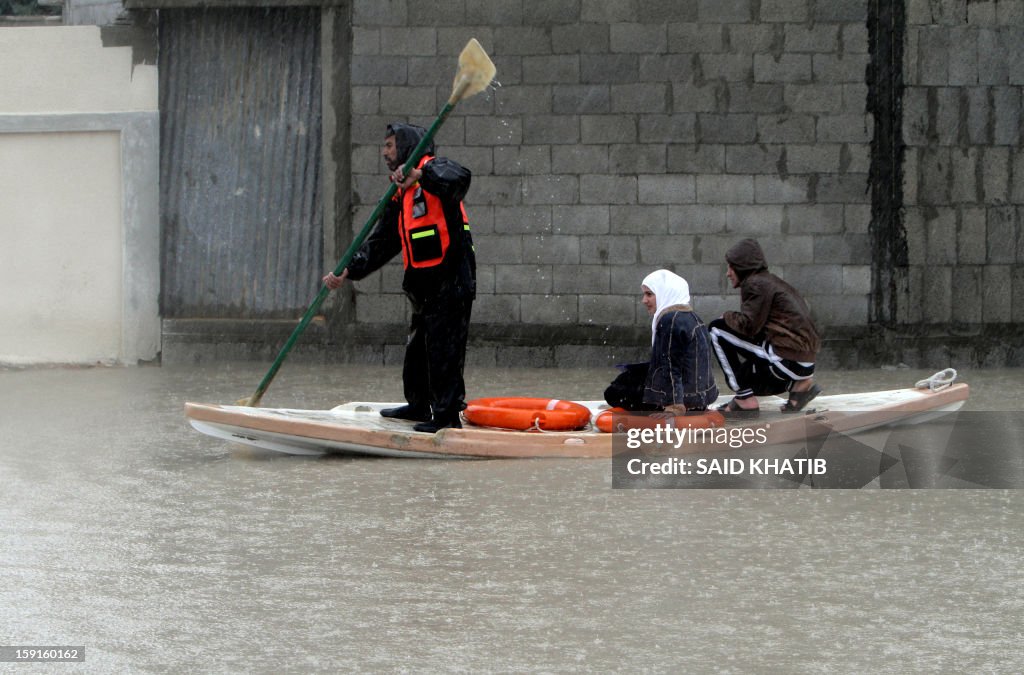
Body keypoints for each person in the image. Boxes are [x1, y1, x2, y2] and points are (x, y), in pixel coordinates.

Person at [323, 123, 475, 433]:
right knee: (417, 349)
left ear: (406, 146)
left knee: (443, 350)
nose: (384, 152)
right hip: (423, 285)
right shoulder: (399, 193)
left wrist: (419, 175)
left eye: (390, 145)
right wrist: (349, 269)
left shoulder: (434, 168)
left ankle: (446, 416)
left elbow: (461, 178)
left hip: (451, 279)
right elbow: (382, 243)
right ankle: (419, 404)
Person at [708, 238, 821, 415]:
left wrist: (727, 316)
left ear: (742, 266)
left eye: (731, 267)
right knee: (747, 372)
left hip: (786, 359)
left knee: (716, 329)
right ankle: (798, 388)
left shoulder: (755, 284)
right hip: (804, 363)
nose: (727, 273)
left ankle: (744, 398)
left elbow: (749, 326)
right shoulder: (772, 282)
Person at [604, 269, 719, 415]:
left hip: (684, 401)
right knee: (629, 377)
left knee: (614, 391)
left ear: (665, 293)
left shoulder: (669, 321)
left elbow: (671, 367)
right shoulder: (692, 317)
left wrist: (673, 407)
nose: (644, 300)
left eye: (649, 294)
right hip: (699, 397)